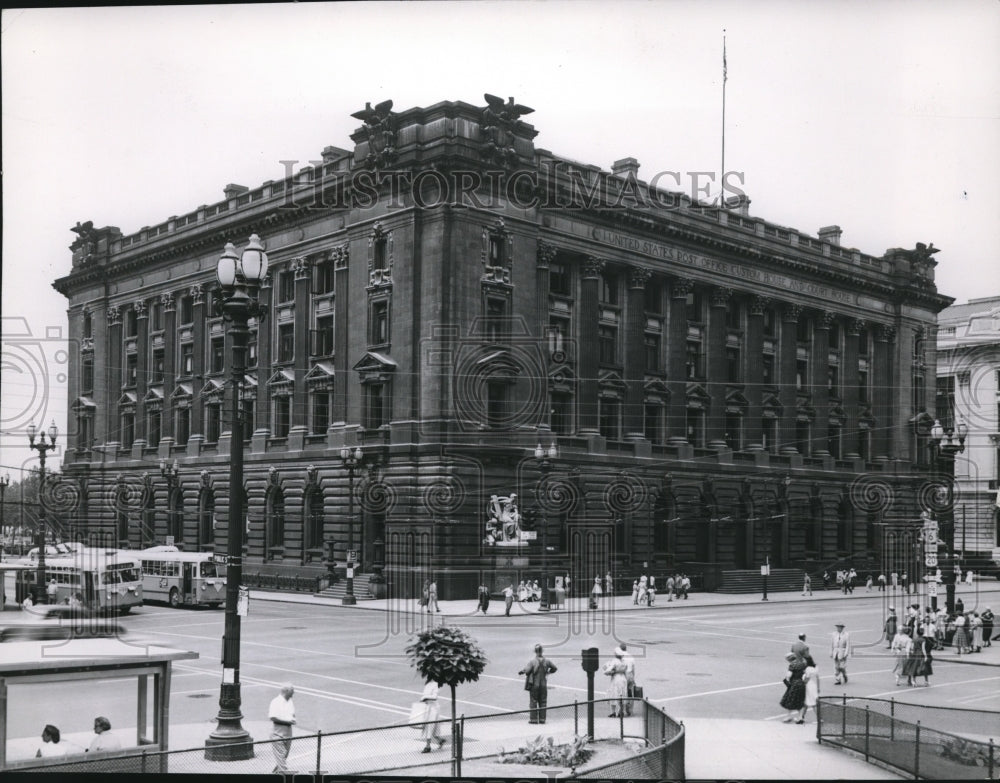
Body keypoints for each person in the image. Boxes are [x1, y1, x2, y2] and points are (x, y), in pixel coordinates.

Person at [518, 644, 557, 724]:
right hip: (543, 684)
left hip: (535, 685)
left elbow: (527, 671)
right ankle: (542, 719)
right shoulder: (547, 661)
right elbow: (554, 668)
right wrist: (548, 672)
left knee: (533, 701)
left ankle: (534, 719)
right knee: (543, 701)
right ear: (542, 651)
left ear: (535, 652)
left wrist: (522, 671)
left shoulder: (532, 661)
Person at [268, 683, 296, 773]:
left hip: (288, 732)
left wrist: (292, 719)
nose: (294, 693)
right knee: (281, 758)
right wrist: (288, 721)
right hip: (277, 733)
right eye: (292, 691)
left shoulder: (290, 701)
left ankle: (275, 774)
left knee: (283, 757)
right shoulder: (275, 702)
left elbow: (292, 714)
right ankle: (285, 776)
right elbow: (273, 717)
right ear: (287, 691)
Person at [779, 652, 808, 723]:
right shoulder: (802, 663)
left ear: (789, 659)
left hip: (794, 684)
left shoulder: (792, 665)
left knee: (789, 700)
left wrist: (787, 680)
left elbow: (789, 675)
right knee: (800, 700)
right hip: (802, 683)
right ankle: (800, 717)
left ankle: (789, 716)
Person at [418, 681, 446, 753]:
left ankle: (428, 746)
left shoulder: (435, 684)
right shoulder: (427, 684)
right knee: (433, 728)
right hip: (428, 707)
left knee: (429, 726)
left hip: (434, 709)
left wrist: (424, 698)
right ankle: (440, 740)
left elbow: (435, 697)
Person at [603, 647, 629, 717]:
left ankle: (613, 712)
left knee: (613, 694)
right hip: (623, 678)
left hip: (616, 679)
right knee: (622, 694)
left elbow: (607, 671)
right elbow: (626, 670)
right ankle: (621, 711)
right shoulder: (624, 661)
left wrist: (611, 672)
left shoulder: (614, 661)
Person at [620, 643, 637, 716]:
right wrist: (633, 679)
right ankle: (629, 709)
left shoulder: (620, 657)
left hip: (623, 675)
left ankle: (622, 710)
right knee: (630, 693)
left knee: (622, 693)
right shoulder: (631, 657)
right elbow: (633, 670)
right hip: (630, 675)